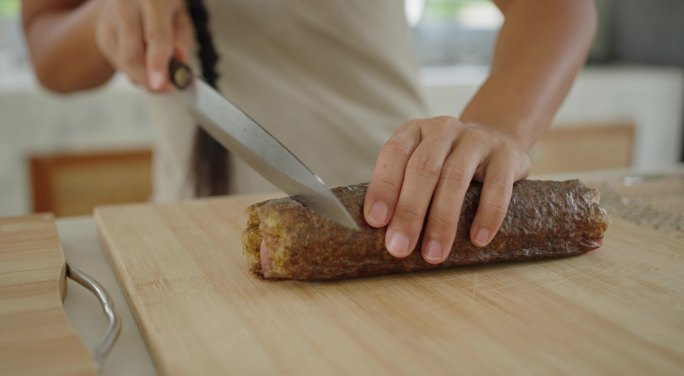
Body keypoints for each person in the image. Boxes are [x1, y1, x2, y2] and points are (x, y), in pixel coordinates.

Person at [21, 0, 596, 264]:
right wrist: (103, 19)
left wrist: (497, 126)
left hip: (410, 210)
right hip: (188, 233)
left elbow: (556, 8)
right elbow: (44, 42)